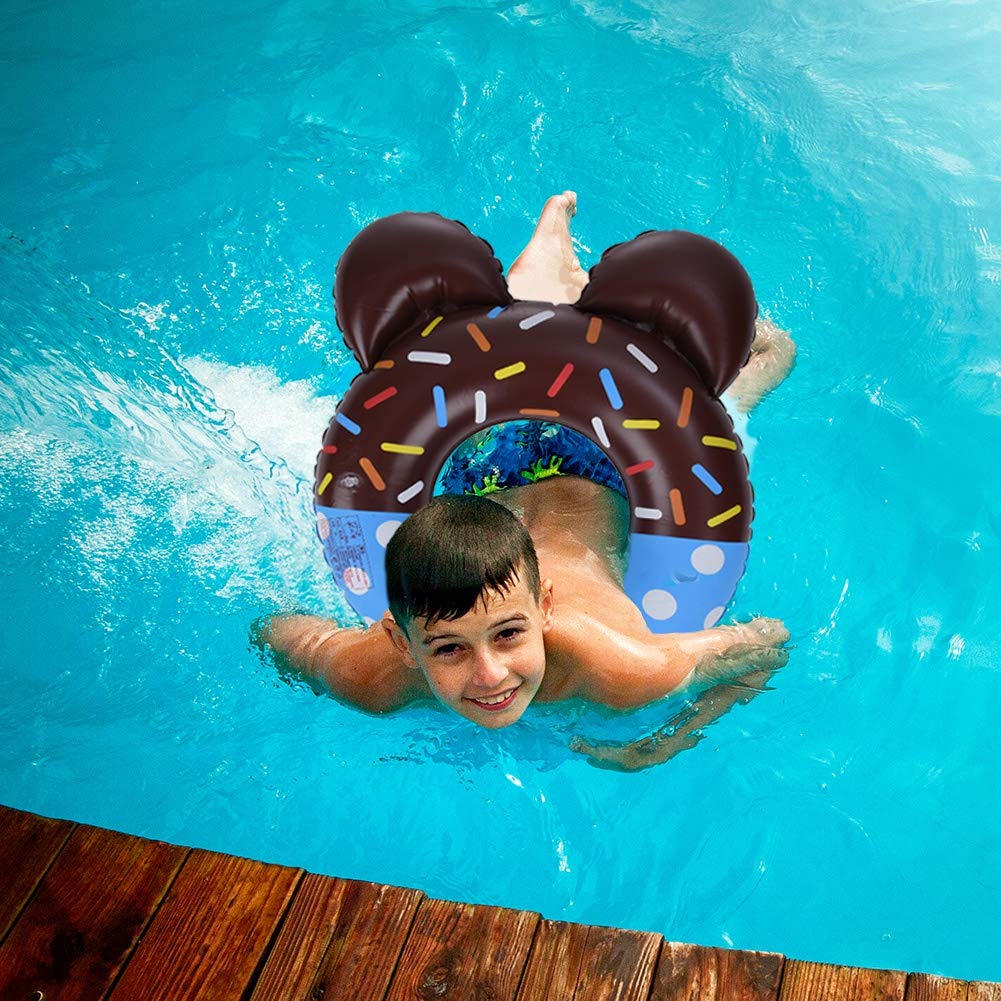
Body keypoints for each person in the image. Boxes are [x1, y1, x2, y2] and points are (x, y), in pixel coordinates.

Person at [260, 192, 796, 754]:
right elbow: (281, 635)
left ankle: (555, 253)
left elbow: (765, 644)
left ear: (545, 605)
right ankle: (553, 265)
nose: (489, 676)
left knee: (765, 364)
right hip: (494, 479)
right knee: (518, 346)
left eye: (510, 633)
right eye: (447, 649)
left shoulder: (627, 670)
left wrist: (661, 743)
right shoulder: (369, 677)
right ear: (397, 639)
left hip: (609, 465)